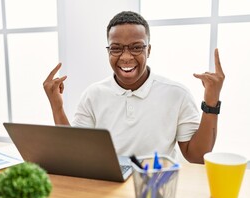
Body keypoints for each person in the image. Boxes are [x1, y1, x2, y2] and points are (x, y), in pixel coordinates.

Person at [43, 11, 224, 164]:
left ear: (149, 50)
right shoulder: (93, 94)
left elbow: (197, 157)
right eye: (116, 48)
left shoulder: (177, 94)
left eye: (136, 47)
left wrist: (211, 101)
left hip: (155, 188)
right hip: (107, 188)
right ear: (108, 51)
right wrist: (57, 107)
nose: (126, 57)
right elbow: (75, 152)